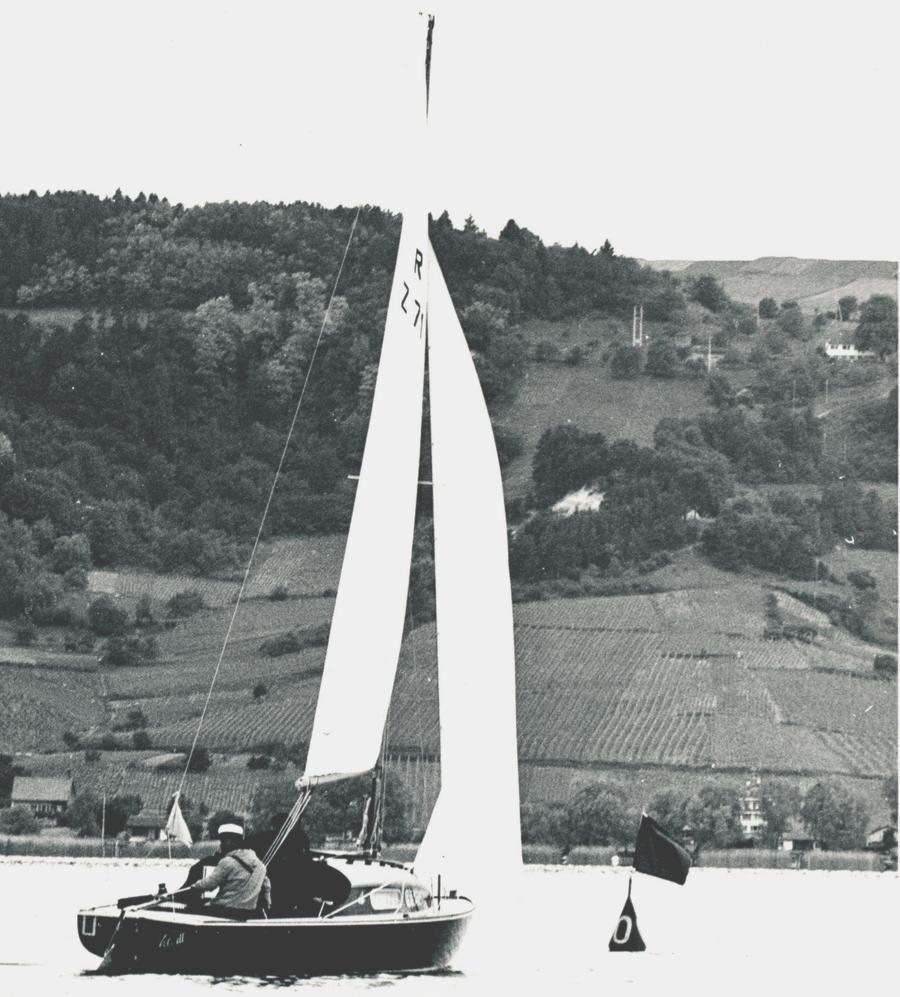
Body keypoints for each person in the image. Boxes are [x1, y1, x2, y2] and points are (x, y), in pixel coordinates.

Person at [185, 823, 271, 918]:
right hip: (248, 912)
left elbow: (210, 884)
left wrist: (194, 886)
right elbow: (266, 885)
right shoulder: (260, 865)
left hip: (225, 910)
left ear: (225, 842)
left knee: (190, 909)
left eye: (223, 841)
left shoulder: (227, 862)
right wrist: (267, 904)